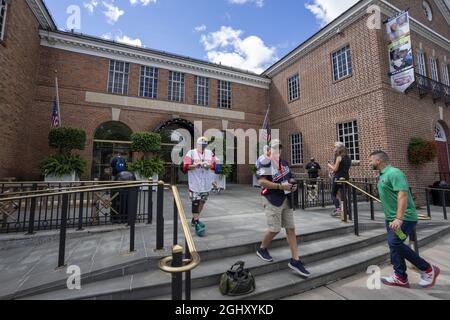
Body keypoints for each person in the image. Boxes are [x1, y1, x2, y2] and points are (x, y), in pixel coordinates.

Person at [369, 150, 440, 288]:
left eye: (370, 160)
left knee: (395, 243)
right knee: (394, 245)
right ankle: (400, 277)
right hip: (391, 219)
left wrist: (399, 218)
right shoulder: (383, 175)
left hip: (404, 218)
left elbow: (403, 195)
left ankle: (428, 269)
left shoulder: (394, 173)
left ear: (378, 161)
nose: (369, 163)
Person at [255, 140, 311, 278]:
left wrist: (293, 184)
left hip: (286, 199)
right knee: (274, 229)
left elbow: (289, 177)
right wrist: (280, 187)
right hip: (271, 199)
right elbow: (261, 181)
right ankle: (262, 249)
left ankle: (295, 260)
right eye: (274, 149)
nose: (277, 151)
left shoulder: (284, 163)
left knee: (291, 229)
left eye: (279, 149)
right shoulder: (266, 163)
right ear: (269, 150)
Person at [182, 137, 216, 237]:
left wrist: (207, 165)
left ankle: (194, 218)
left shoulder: (210, 153)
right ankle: (197, 222)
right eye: (201, 145)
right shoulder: (191, 153)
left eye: (205, 145)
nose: (203, 147)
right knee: (195, 202)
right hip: (195, 182)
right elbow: (185, 166)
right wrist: (196, 165)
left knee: (202, 201)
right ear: (197, 144)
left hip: (206, 182)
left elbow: (214, 165)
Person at [327, 146, 351, 217]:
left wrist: (329, 165)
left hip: (337, 178)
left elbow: (335, 169)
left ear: (340, 151)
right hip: (346, 177)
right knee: (343, 194)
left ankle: (338, 210)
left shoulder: (339, 157)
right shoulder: (348, 159)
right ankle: (346, 210)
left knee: (333, 194)